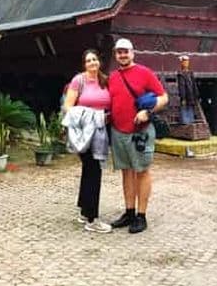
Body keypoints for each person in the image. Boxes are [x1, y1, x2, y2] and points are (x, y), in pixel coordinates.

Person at [107, 38, 168, 234]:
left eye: (126, 52)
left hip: (140, 132)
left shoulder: (145, 73)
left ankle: (141, 216)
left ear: (132, 53)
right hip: (118, 131)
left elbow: (163, 97)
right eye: (119, 52)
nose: (122, 55)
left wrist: (148, 112)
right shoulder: (113, 77)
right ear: (115, 55)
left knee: (142, 170)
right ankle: (129, 212)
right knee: (126, 171)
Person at [62, 49, 112, 234]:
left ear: (99, 62)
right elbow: (68, 106)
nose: (92, 63)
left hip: (101, 130)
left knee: (89, 170)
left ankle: (84, 211)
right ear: (84, 64)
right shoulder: (79, 80)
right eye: (88, 60)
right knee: (94, 171)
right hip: (85, 132)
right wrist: (88, 115)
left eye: (95, 59)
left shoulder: (105, 80)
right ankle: (93, 219)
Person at [177, 55, 199, 124]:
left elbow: (193, 85)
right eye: (184, 62)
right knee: (186, 112)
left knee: (189, 111)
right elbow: (182, 87)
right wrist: (183, 98)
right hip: (187, 97)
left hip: (190, 96)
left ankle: (189, 123)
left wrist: (196, 95)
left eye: (187, 62)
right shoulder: (181, 74)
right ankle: (187, 123)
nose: (186, 63)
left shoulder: (190, 73)